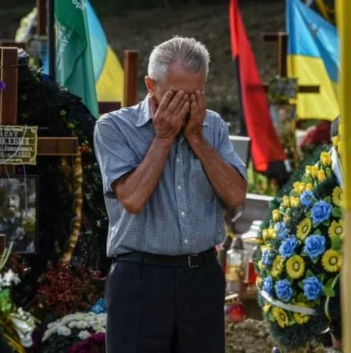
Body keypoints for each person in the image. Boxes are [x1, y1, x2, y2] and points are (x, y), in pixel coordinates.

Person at [94, 36, 248, 353]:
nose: (187, 105)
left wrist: (197, 139)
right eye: (175, 95)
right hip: (140, 278)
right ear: (151, 85)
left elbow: (235, 196)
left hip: (201, 277)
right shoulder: (113, 128)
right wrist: (163, 137)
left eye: (195, 95)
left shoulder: (213, 126)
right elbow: (133, 199)